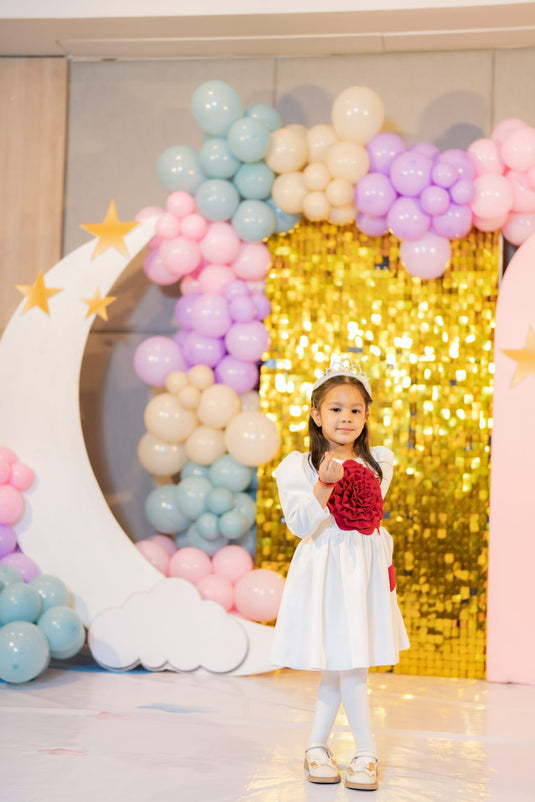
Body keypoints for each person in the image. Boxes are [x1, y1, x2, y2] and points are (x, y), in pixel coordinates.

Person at [271, 360, 409, 790]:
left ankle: (315, 746)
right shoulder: (299, 466)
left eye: (355, 410)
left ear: (367, 416)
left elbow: (372, 525)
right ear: (316, 414)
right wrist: (325, 486)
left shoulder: (378, 462)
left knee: (344, 661)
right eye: (335, 409)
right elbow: (299, 525)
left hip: (363, 570)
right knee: (348, 663)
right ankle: (366, 751)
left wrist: (384, 572)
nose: (345, 418)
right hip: (327, 570)